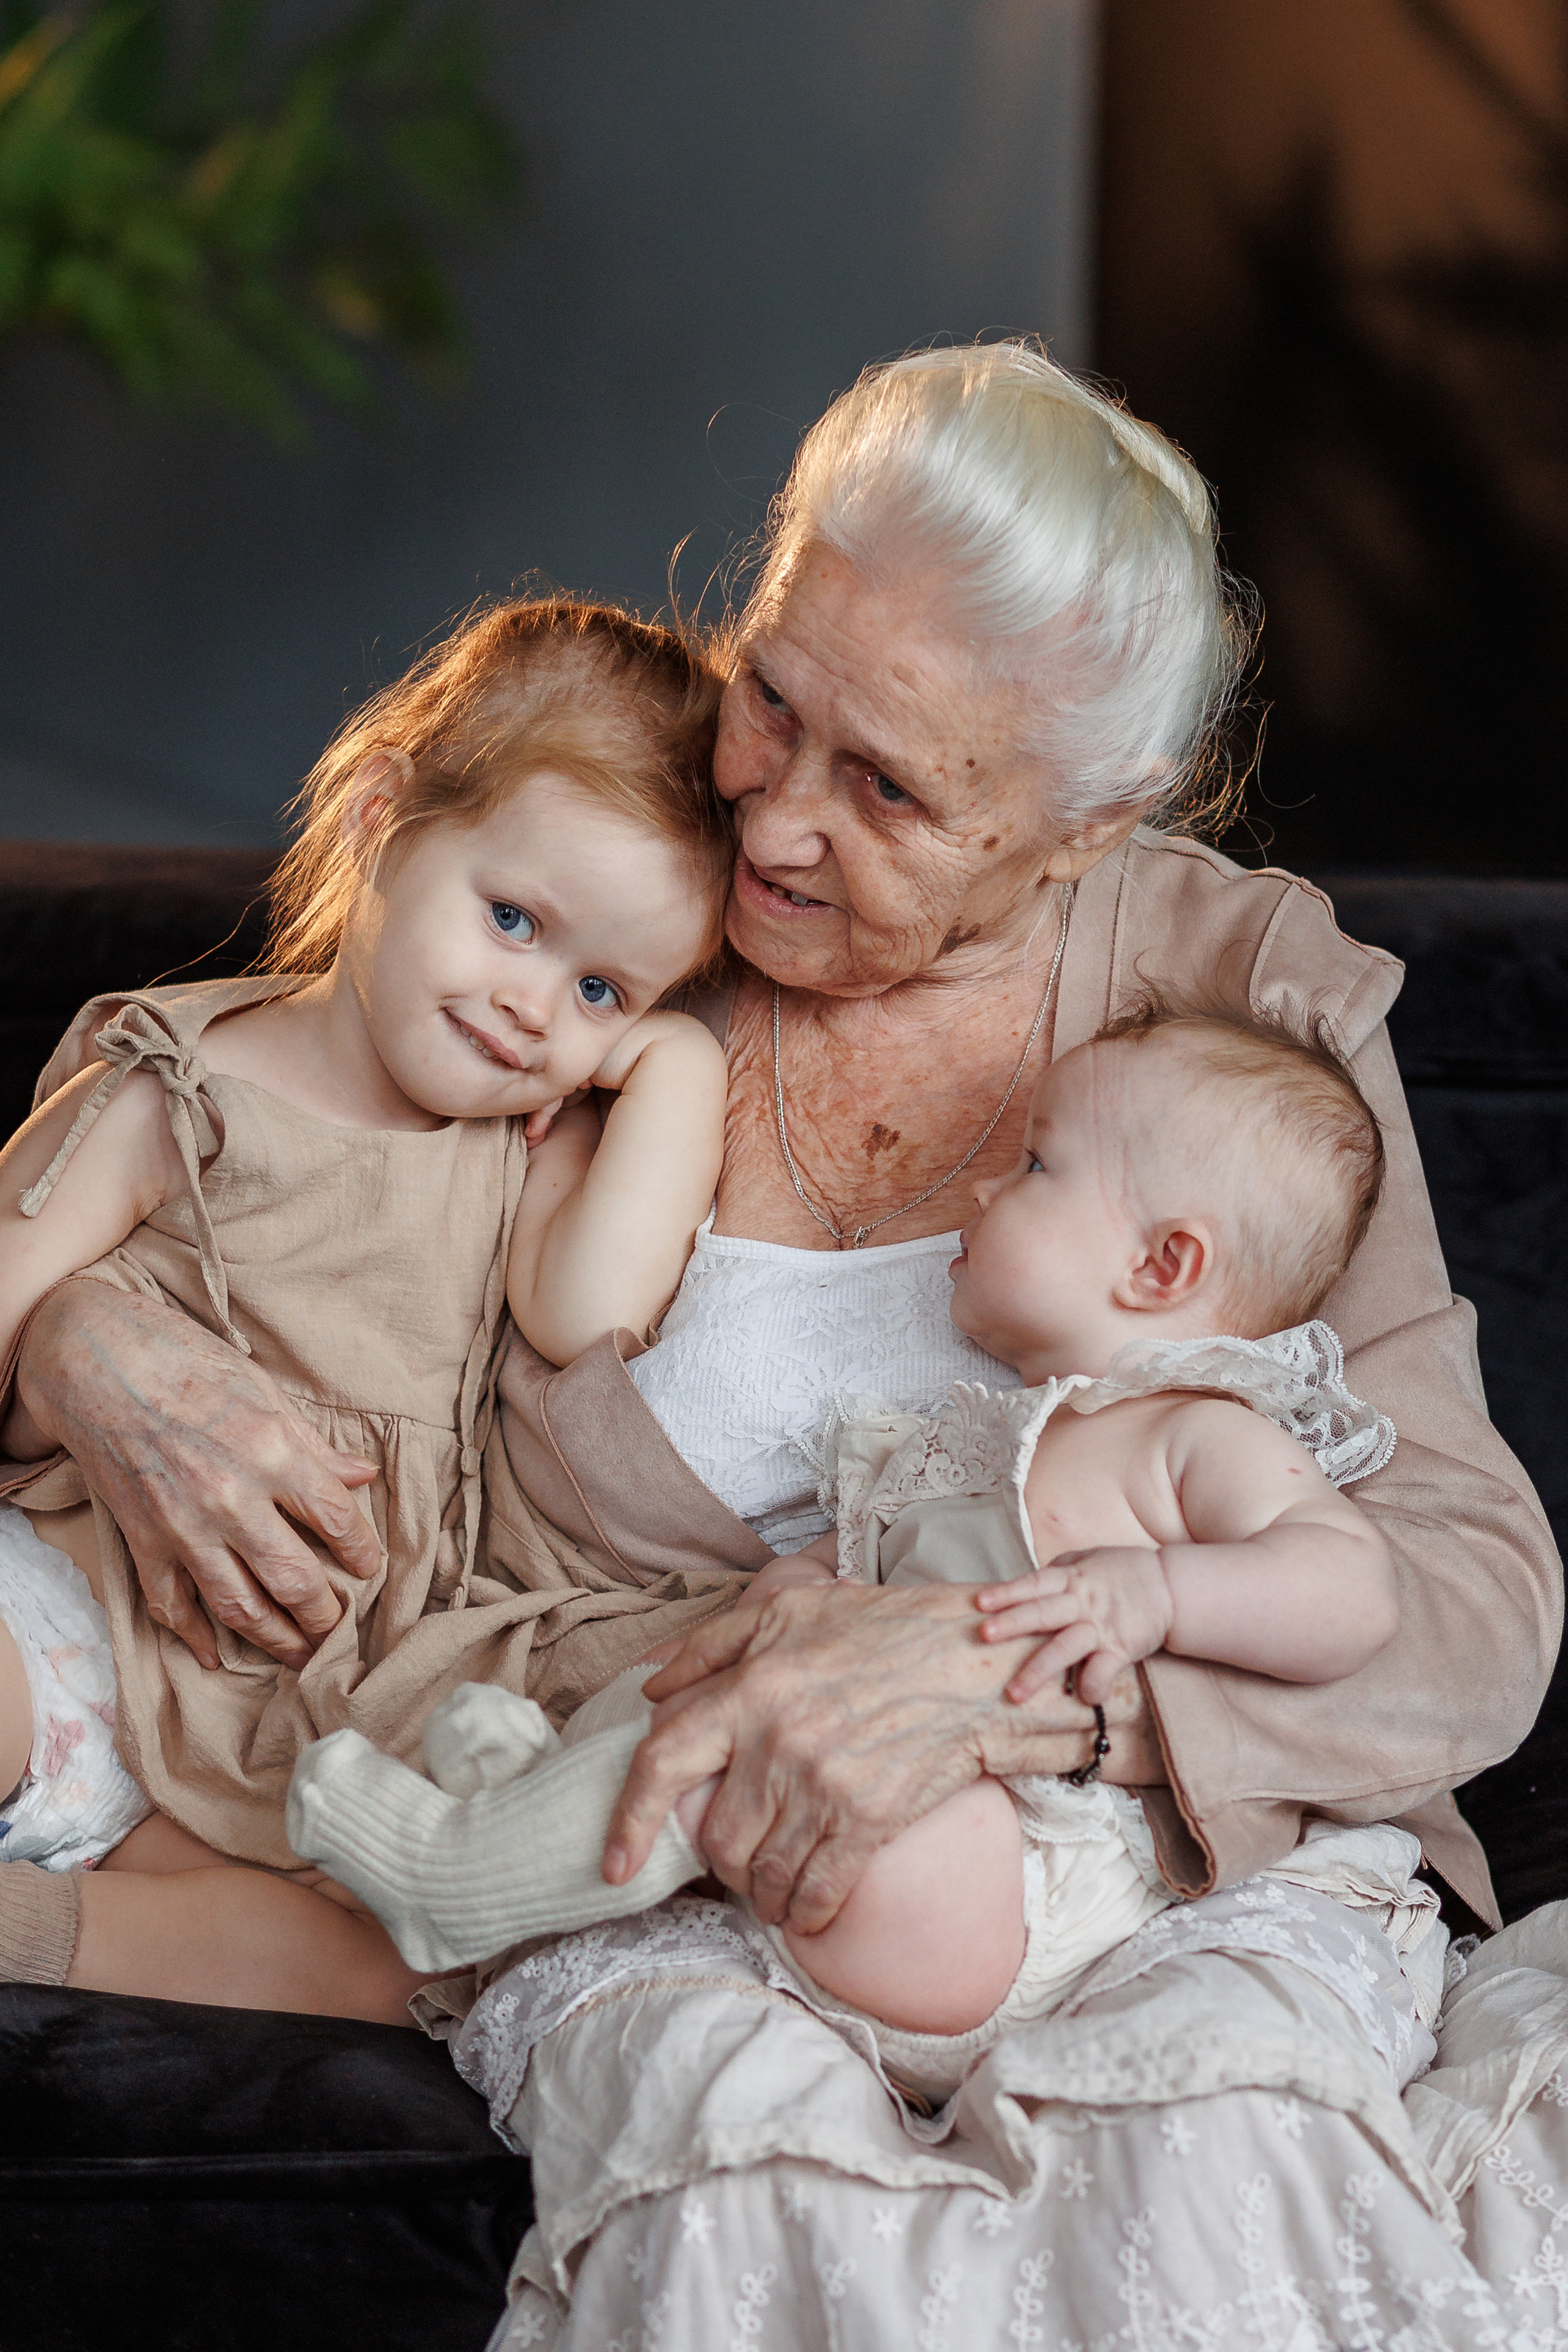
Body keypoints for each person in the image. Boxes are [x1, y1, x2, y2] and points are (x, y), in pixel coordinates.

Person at [2, 342, 1563, 2345]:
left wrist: (1011, 1687)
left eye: (889, 786)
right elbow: (261, 1145)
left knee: (1200, 2192)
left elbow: (1471, 1598)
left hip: (1130, 1859)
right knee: (737, 2202)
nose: (774, 818)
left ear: (1085, 825)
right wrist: (81, 1336)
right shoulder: (619, 891)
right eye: (773, 695)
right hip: (680, 1845)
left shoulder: (1236, 1001)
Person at [289, 1001, 1414, 2111]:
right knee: (698, 1680)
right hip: (869, 1862)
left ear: (1162, 1266)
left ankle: (456, 1879)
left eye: (1034, 1167)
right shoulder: (976, 1433)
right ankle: (536, 1805)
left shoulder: (1199, 1433)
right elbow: (865, 1562)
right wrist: (798, 1586)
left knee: (757, 1735)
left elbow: (1352, 1591)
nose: (984, 1189)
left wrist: (1158, 1593)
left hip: (1015, 1887)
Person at [0, 595, 735, 2016]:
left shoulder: (520, 1148)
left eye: (600, 987)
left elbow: (588, 1315)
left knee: (408, 1969)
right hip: (66, 1611)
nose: (533, 1009)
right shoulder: (178, 1090)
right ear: (382, 819)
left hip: (284, 1723)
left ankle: (29, 1931)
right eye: (512, 920)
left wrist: (675, 1066)